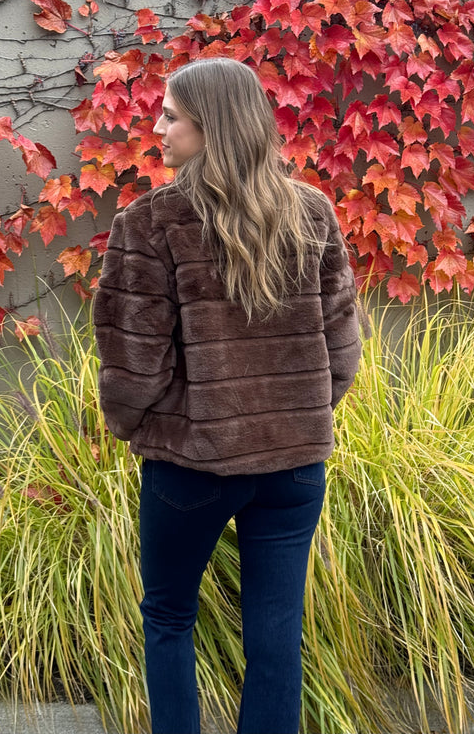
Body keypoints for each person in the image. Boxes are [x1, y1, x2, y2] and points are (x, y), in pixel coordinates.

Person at [93, 56, 361, 734]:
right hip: (295, 467)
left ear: (210, 126)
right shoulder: (312, 212)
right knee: (276, 633)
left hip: (194, 464)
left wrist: (132, 426)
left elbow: (135, 363)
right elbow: (341, 349)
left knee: (169, 617)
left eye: (171, 117)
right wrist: (299, 416)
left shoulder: (150, 222)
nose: (157, 128)